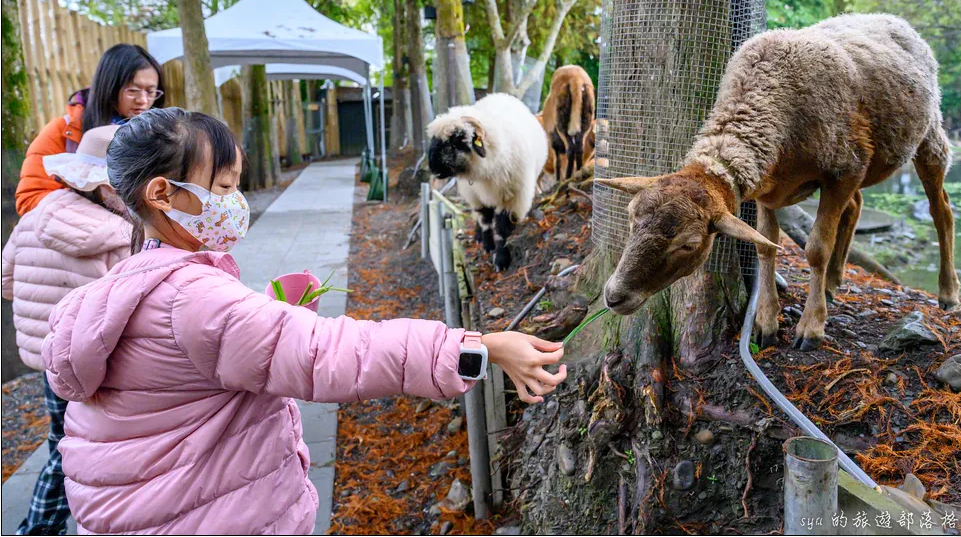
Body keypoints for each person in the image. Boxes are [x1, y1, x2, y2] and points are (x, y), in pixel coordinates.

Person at [42, 108, 567, 534]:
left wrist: (273, 325)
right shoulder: (193, 299)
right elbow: (333, 353)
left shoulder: (126, 285)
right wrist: (483, 347)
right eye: (223, 189)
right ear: (161, 195)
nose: (235, 202)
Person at [2, 125, 132, 536]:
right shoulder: (123, 235)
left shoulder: (35, 217)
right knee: (108, 449)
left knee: (62, 444)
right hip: (100, 363)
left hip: (47, 358)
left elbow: (6, 281)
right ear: (111, 189)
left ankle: (40, 527)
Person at [15, 44, 164, 216]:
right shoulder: (63, 131)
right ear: (109, 87)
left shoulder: (161, 135)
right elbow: (29, 199)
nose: (143, 100)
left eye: (151, 92)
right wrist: (98, 215)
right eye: (133, 90)